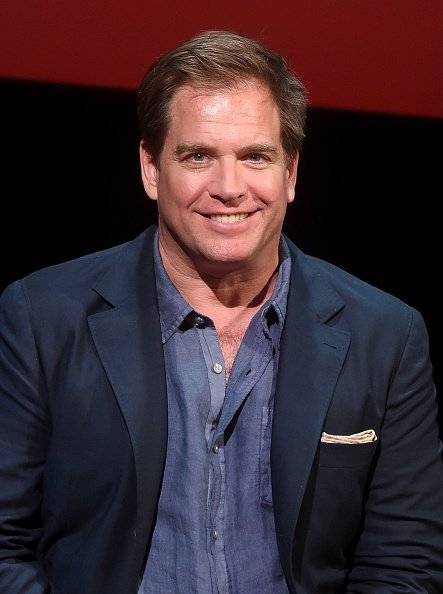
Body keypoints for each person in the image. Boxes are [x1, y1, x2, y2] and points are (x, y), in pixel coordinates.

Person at [1, 29, 442, 594]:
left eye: (255, 156)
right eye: (199, 156)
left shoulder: (386, 335)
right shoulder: (41, 318)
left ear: (291, 173)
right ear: (151, 169)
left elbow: (403, 565)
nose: (229, 187)